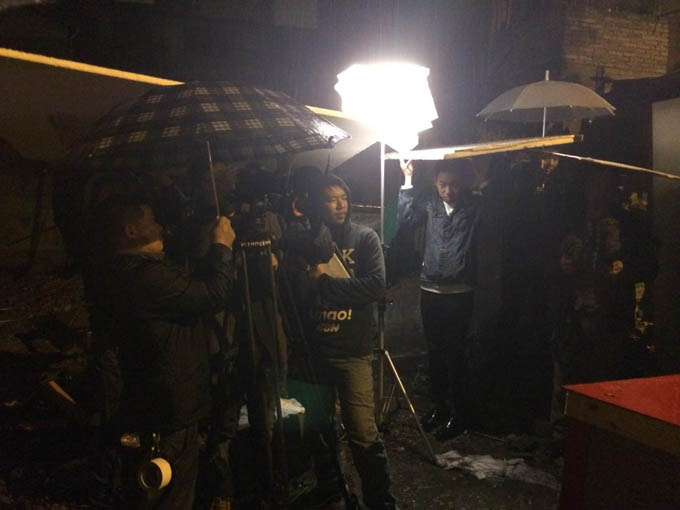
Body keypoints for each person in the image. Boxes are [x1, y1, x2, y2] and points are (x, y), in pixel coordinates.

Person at [95, 194, 235, 510]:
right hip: (168, 413)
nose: (160, 226)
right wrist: (222, 246)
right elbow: (213, 293)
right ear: (131, 230)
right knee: (172, 497)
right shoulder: (146, 277)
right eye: (151, 219)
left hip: (157, 405)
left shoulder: (125, 272)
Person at [284, 174, 398, 510]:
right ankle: (331, 489)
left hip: (351, 353)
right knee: (320, 430)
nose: (340, 205)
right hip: (315, 354)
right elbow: (292, 295)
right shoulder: (303, 242)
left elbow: (374, 286)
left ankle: (380, 502)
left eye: (344, 198)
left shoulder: (364, 238)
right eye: (331, 199)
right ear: (317, 205)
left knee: (363, 433)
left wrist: (324, 284)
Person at [397, 158, 479, 440]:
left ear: (463, 184)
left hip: (459, 291)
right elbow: (406, 219)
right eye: (443, 184)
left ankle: (460, 415)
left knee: (455, 354)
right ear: (435, 182)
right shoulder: (431, 205)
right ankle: (440, 408)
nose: (448, 191)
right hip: (430, 289)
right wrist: (407, 180)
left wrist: (481, 177)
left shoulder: (472, 207)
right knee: (434, 352)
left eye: (454, 185)